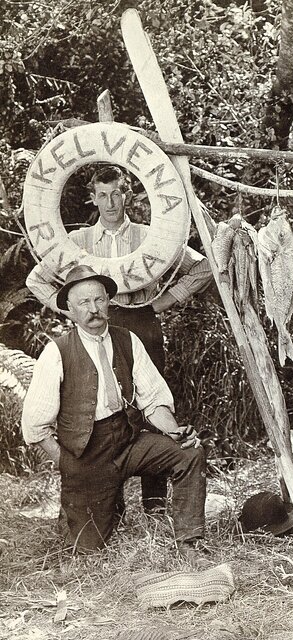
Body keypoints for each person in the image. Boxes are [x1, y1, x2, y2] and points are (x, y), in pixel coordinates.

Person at [26, 165, 214, 513]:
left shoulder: (152, 236)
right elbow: (36, 279)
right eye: (103, 195)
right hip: (91, 327)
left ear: (127, 194)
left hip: (141, 325)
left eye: (117, 193)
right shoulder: (77, 241)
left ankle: (154, 506)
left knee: (153, 408)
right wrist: (70, 308)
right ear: (93, 198)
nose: (110, 202)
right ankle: (107, 500)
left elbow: (203, 267)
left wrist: (162, 302)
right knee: (98, 409)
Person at [20, 265, 207, 554]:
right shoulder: (57, 352)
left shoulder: (128, 340)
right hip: (87, 454)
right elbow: (35, 426)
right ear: (70, 308)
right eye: (83, 302)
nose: (93, 309)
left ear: (109, 301)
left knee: (189, 453)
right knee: (88, 550)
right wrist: (68, 465)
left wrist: (175, 432)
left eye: (98, 300)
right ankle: (80, 514)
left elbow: (153, 398)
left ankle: (189, 543)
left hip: (128, 440)